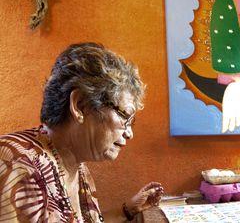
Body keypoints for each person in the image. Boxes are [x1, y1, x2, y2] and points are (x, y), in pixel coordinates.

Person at [0, 42, 164, 222]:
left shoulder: (74, 163)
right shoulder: (18, 166)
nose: (129, 133)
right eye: (124, 116)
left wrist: (127, 210)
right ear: (80, 106)